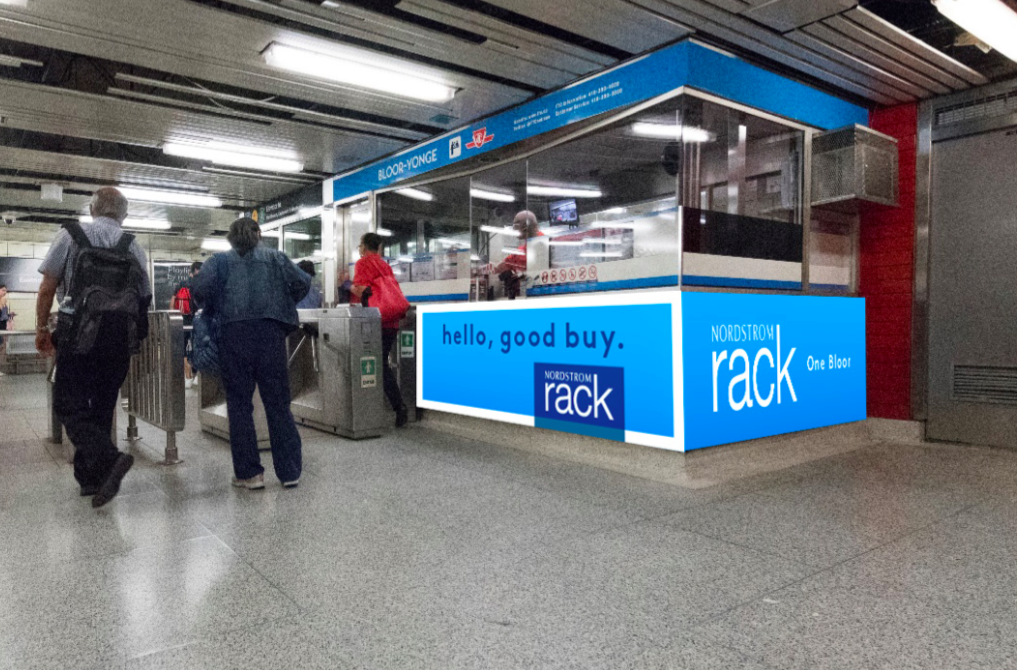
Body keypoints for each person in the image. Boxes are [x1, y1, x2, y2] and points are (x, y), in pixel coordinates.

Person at [35, 187, 151, 507]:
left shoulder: (70, 236)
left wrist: (42, 328)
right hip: (119, 338)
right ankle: (91, 480)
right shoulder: (133, 246)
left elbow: (47, 287)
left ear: (92, 209)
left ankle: (109, 460)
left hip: (78, 335)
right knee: (102, 405)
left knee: (68, 403)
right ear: (124, 215)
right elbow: (144, 296)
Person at [192, 217, 310, 490]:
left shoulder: (219, 261)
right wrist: (282, 302)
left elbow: (199, 289)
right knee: (278, 403)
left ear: (231, 238)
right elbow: (303, 282)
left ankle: (250, 474)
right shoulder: (276, 258)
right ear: (258, 235)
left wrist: (216, 304)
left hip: (233, 336)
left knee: (239, 405)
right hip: (270, 335)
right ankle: (289, 472)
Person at [350, 232, 410, 428]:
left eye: (360, 245)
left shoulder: (363, 263)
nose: (359, 249)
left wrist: (349, 287)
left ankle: (396, 406)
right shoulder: (385, 265)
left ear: (365, 246)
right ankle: (394, 406)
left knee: (377, 366)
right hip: (391, 323)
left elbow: (360, 289)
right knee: (381, 364)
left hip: (376, 322)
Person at [492, 210, 543, 300]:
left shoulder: (543, 243)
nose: (514, 229)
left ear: (525, 227)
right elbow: (504, 264)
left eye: (515, 226)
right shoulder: (523, 248)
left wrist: (521, 274)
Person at [170, 261, 202, 388]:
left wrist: (174, 318)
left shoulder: (181, 284)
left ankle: (187, 377)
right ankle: (196, 375)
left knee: (183, 349)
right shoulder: (201, 285)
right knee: (198, 347)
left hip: (181, 322)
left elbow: (173, 303)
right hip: (197, 322)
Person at [0, 284, 9, 377]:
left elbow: (4, 316)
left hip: (2, 328)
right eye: (3, 290)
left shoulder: (4, 302)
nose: (4, 292)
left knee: (1, 347)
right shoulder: (2, 302)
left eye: (5, 291)